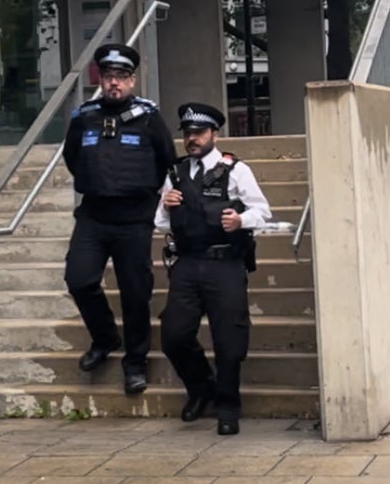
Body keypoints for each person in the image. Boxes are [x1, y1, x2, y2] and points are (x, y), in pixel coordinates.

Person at [62, 43, 177, 396]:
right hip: (94, 216)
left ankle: (135, 362)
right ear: (101, 80)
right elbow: (72, 158)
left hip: (133, 218)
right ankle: (105, 338)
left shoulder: (149, 117)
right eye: (109, 77)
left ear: (132, 80)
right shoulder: (85, 117)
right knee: (79, 279)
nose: (114, 84)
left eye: (121, 78)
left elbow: (167, 160)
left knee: (135, 292)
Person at [156, 102, 273, 436]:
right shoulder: (175, 173)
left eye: (199, 133)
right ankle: (200, 388)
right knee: (174, 336)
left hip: (225, 264)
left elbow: (262, 212)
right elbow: (159, 222)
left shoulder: (235, 170)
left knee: (229, 341)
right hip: (188, 263)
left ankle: (228, 406)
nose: (192, 139)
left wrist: (240, 220)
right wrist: (166, 206)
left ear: (214, 135)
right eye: (188, 134)